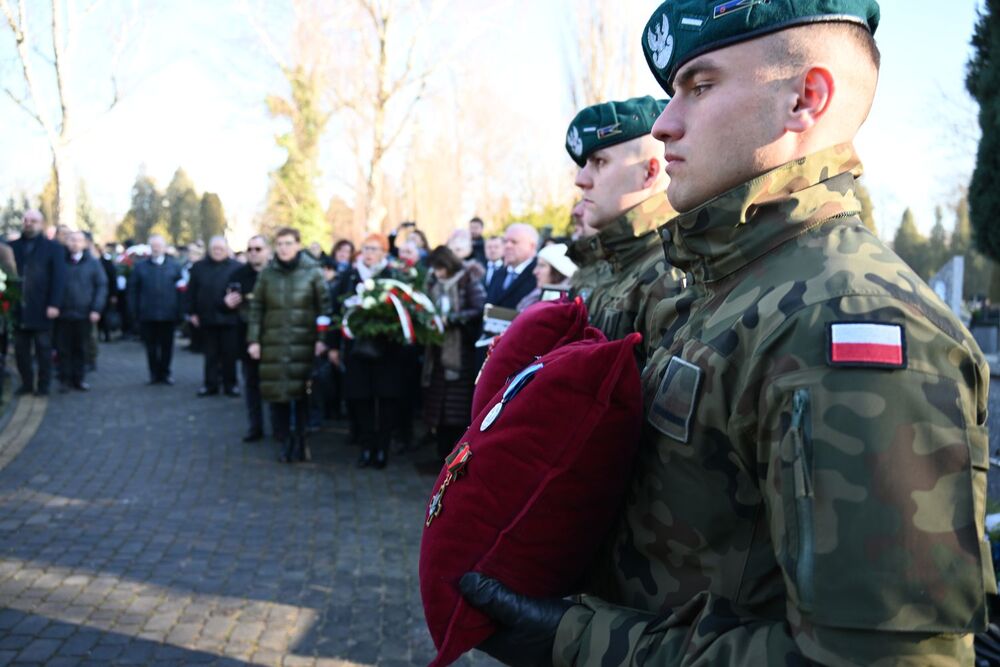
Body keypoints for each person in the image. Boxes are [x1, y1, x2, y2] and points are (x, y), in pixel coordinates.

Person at [462, 2, 995, 665]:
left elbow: (879, 659)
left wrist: (580, 640)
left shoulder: (854, 321)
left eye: (701, 85)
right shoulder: (729, 284)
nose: (664, 124)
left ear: (805, 99)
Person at [565, 96, 686, 358]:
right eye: (585, 164)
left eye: (599, 162)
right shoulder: (611, 260)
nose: (581, 179)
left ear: (649, 173)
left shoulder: (671, 272)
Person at [247, 227, 330, 463]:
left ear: (297, 245)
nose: (283, 248)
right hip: (273, 343)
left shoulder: (313, 272)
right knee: (278, 395)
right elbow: (256, 309)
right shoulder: (267, 274)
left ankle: (301, 440)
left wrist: (321, 341)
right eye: (280, 244)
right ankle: (284, 442)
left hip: (304, 344)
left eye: (288, 243)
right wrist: (254, 340)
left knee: (302, 395)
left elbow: (324, 309)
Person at [329, 233, 407, 469]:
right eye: (365, 249)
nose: (369, 253)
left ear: (384, 252)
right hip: (356, 351)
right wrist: (332, 345)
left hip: (387, 351)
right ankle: (366, 447)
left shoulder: (393, 277)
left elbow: (404, 312)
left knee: (385, 400)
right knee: (360, 399)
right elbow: (335, 311)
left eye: (374, 249)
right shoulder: (349, 276)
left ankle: (382, 448)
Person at [422, 245, 486, 459]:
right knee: (438, 406)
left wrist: (452, 318)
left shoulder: (467, 279)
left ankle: (455, 455)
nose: (438, 273)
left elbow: (478, 308)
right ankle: (441, 452)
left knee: (456, 408)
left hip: (460, 352)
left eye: (440, 268)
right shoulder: (432, 282)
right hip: (437, 351)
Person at [9, 210, 66, 396]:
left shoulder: (54, 248)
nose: (28, 223)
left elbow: (59, 279)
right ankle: (26, 384)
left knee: (43, 351)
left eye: (33, 221)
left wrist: (54, 304)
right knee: (21, 351)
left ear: (41, 223)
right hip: (17, 309)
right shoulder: (11, 247)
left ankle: (43, 385)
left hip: (42, 308)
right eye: (26, 220)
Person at [187, 236, 242, 397]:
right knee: (210, 355)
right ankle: (210, 384)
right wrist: (192, 313)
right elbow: (192, 292)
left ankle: (230, 384)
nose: (217, 252)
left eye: (221, 249)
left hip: (230, 319)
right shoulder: (198, 267)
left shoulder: (237, 267)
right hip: (207, 318)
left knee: (229, 354)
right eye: (214, 249)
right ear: (209, 250)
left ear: (227, 250)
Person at [228, 235, 270, 442]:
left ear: (267, 251)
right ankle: (256, 427)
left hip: (273, 337)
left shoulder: (275, 274)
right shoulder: (238, 275)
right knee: (251, 384)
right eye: (250, 249)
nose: (253, 253)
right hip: (246, 338)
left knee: (273, 384)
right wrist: (227, 302)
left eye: (258, 249)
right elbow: (226, 304)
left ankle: (280, 428)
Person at [56, 231, 107, 392]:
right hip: (62, 314)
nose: (75, 243)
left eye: (79, 240)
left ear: (85, 243)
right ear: (67, 242)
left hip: (85, 313)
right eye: (72, 240)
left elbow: (101, 286)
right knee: (63, 348)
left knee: (81, 348)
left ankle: (78, 379)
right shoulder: (59, 261)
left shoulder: (93, 263)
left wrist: (96, 309)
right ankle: (64, 379)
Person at [130, 235, 183, 385]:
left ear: (164, 247)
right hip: (148, 314)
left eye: (159, 246)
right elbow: (133, 290)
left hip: (168, 314)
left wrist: (180, 311)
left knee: (167, 346)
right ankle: (154, 373)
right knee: (151, 347)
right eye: (153, 246)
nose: (156, 248)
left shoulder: (175, 266)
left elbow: (181, 291)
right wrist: (134, 311)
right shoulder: (140, 267)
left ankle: (165, 373)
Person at [485, 223, 538, 309]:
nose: (507, 246)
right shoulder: (498, 273)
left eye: (514, 242)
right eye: (505, 241)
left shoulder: (539, 276)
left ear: (531, 246)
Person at [515, 243, 577, 312]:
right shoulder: (535, 294)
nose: (535, 272)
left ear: (558, 271)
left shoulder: (563, 304)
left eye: (542, 265)